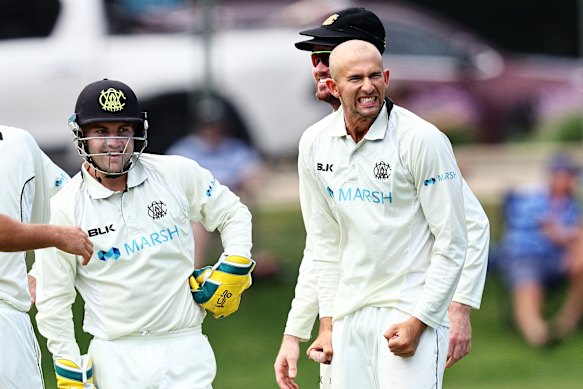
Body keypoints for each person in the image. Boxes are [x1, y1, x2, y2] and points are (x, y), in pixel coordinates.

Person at [275, 8, 490, 389]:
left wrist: (456, 309)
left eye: (327, 56)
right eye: (317, 60)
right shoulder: (315, 141)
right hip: (350, 315)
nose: (319, 69)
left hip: (407, 311)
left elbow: (468, 225)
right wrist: (299, 331)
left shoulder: (418, 139)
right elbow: (323, 245)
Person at [34, 79, 254, 388]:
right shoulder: (63, 209)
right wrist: (66, 360)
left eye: (123, 131)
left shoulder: (176, 173)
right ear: (81, 134)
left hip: (185, 346)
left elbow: (233, 212)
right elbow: (53, 298)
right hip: (116, 356)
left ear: (138, 132)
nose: (114, 143)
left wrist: (235, 264)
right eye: (101, 132)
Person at [0, 125, 93, 389]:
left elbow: (71, 205)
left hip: (8, 321)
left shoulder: (19, 143)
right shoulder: (20, 141)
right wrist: (54, 237)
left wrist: (40, 272)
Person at [167, 95, 264, 267]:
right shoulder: (184, 149)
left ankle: (239, 262)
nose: (212, 130)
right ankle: (192, 273)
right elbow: (170, 180)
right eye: (206, 125)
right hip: (195, 203)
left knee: (241, 208)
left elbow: (254, 176)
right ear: (198, 126)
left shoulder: (235, 149)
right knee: (198, 222)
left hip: (228, 197)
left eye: (216, 125)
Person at [496, 154, 583, 346]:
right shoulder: (533, 197)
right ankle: (538, 335)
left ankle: (565, 323)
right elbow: (553, 231)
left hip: (556, 258)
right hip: (525, 255)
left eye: (570, 176)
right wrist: (571, 238)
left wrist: (574, 249)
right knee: (529, 287)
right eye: (563, 175)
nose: (567, 180)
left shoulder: (573, 204)